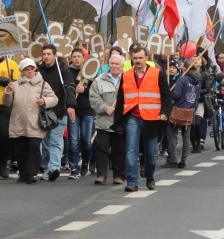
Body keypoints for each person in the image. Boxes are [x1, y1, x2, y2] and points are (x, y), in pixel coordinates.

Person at [113, 46, 172, 192]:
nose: (138, 61)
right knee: (131, 150)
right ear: (131, 59)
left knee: (151, 153)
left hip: (152, 118)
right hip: (133, 116)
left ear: (147, 58)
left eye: (141, 58)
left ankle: (150, 176)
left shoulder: (157, 73)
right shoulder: (126, 75)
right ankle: (132, 182)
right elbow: (120, 99)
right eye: (135, 58)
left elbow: (166, 95)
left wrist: (165, 113)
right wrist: (118, 120)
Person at [3, 58, 57, 184]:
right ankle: (23, 174)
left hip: (35, 122)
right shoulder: (15, 84)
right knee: (21, 151)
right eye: (26, 69)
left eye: (31, 69)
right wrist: (8, 91)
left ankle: (31, 174)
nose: (29, 72)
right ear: (21, 71)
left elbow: (54, 98)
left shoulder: (42, 83)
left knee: (34, 148)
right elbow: (6, 103)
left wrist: (44, 101)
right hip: (19, 122)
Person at [38, 44, 76, 181]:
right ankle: (46, 167)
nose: (46, 56)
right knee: (46, 142)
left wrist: (71, 105)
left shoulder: (63, 70)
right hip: (44, 112)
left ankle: (54, 168)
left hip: (59, 111)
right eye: (44, 54)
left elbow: (70, 88)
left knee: (55, 140)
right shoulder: (39, 70)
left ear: (55, 55)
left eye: (49, 54)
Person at [89, 54, 126, 184]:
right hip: (103, 121)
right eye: (112, 64)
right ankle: (101, 175)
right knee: (102, 149)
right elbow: (93, 98)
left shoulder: (128, 80)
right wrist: (104, 107)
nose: (114, 66)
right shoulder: (99, 80)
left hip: (120, 121)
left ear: (122, 66)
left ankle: (119, 175)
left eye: (117, 64)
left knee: (119, 149)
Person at [162, 58, 201, 169]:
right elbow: (197, 98)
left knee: (172, 135)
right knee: (186, 137)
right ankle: (183, 161)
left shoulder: (182, 79)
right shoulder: (198, 82)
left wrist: (169, 94)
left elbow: (177, 95)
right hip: (190, 111)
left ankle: (173, 159)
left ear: (185, 68)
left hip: (178, 110)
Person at [67, 47, 95, 179]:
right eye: (75, 56)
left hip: (88, 110)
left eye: (79, 56)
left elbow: (95, 92)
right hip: (74, 110)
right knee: (73, 139)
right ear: (71, 58)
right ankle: (74, 167)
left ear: (84, 58)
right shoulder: (68, 72)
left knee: (86, 140)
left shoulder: (90, 72)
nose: (77, 59)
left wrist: (84, 90)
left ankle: (85, 162)